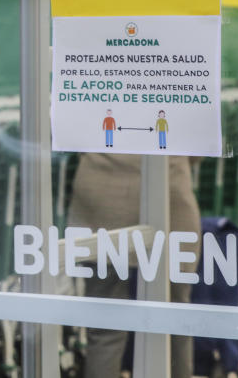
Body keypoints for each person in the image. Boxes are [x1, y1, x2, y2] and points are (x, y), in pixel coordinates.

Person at [70, 152, 201, 378]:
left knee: (105, 326)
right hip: (167, 189)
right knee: (173, 321)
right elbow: (198, 142)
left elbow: (67, 130)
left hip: (102, 191)